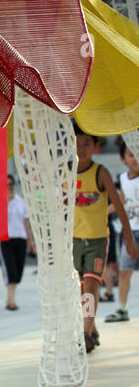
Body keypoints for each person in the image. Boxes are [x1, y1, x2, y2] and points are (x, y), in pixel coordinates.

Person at [73, 123, 137, 352]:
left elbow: (119, 207)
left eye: (87, 143)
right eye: (77, 143)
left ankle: (84, 332)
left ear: (97, 147)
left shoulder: (101, 173)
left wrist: (129, 238)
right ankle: (90, 327)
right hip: (73, 240)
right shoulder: (65, 173)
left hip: (98, 240)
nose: (81, 148)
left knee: (91, 286)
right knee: (81, 289)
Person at [105, 141, 139, 323]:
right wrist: (101, 213)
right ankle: (122, 309)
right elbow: (121, 202)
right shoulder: (124, 179)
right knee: (125, 271)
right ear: (123, 159)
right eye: (130, 155)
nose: (135, 158)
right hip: (131, 232)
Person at [0, 180, 33, 312]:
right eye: (6, 184)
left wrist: (30, 241)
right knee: (10, 269)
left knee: (18, 270)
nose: (9, 187)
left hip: (20, 238)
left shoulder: (21, 201)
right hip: (5, 239)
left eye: (11, 184)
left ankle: (10, 298)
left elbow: (26, 222)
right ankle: (11, 298)